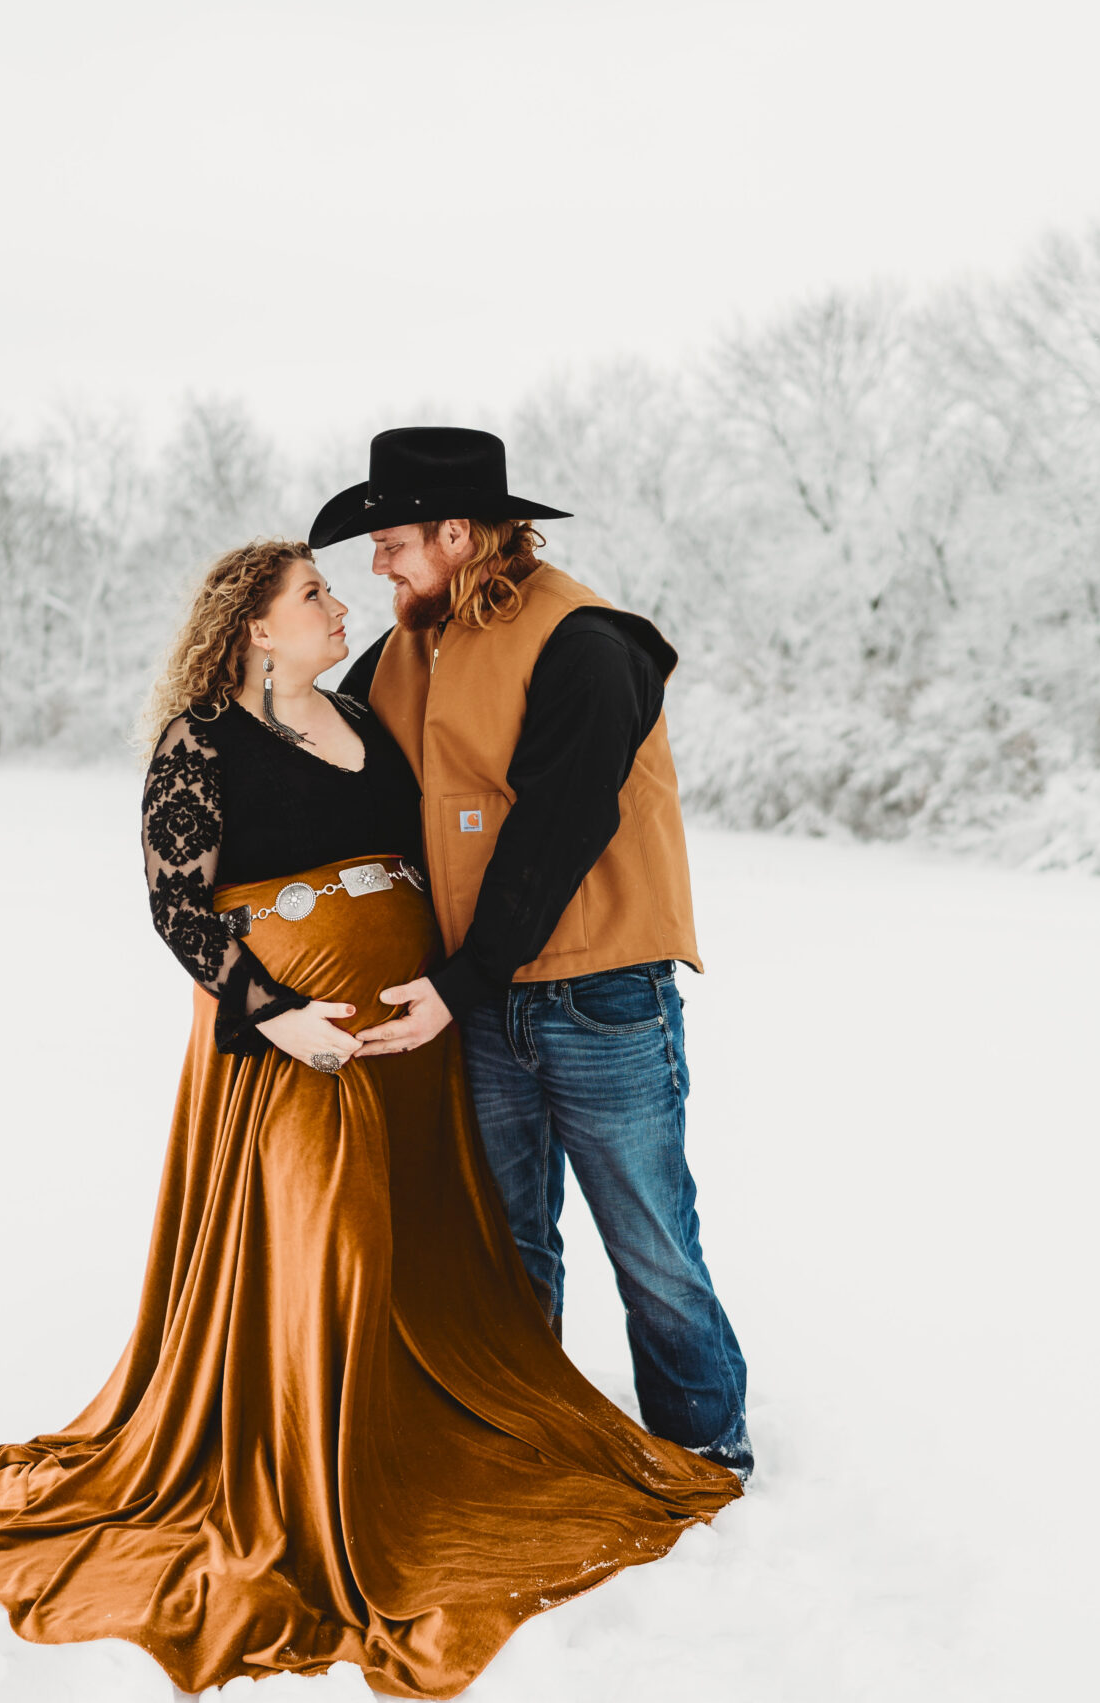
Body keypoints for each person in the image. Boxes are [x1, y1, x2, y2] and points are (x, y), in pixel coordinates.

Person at [0, 538, 739, 1700]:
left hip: (411, 1045)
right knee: (331, 1249)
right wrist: (273, 1015)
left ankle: (447, 1439)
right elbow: (175, 904)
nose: (339, 601)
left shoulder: (365, 716)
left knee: (427, 1248)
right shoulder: (200, 740)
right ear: (253, 624)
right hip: (292, 1053)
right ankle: (319, 1475)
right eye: (313, 594)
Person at [325, 427, 753, 1481]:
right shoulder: (396, 654)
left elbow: (554, 832)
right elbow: (324, 772)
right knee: (502, 1239)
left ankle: (705, 1440)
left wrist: (457, 985)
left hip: (599, 994)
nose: (377, 565)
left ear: (458, 533)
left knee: (649, 1239)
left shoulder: (587, 644)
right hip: (471, 999)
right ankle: (524, 1423)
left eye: (391, 541)